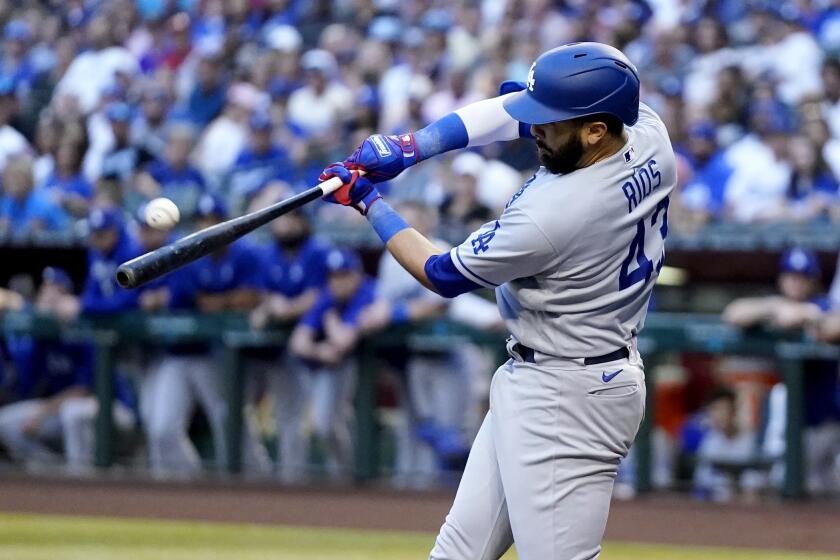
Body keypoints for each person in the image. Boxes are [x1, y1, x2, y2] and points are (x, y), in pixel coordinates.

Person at [319, 42, 676, 559]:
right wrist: (412, 146)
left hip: (569, 392)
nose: (535, 131)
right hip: (550, 372)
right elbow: (511, 113)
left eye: (549, 123)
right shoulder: (646, 133)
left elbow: (440, 273)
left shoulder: (554, 214)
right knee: (457, 554)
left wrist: (369, 202)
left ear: (596, 130)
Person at [725, 247, 840, 494]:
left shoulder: (823, 305)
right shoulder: (773, 306)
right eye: (791, 276)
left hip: (821, 422)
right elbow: (733, 314)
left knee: (817, 492)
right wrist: (774, 307)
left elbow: (833, 326)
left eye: (802, 277)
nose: (796, 283)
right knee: (778, 488)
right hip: (784, 423)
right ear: (781, 278)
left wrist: (809, 314)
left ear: (813, 280)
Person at [249, 209, 332, 481]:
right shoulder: (269, 252)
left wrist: (288, 307)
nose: (285, 225)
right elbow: (264, 293)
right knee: (287, 415)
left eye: (292, 219)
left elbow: (323, 293)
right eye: (283, 219)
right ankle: (284, 478)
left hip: (320, 349)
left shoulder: (318, 251)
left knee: (323, 422)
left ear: (304, 222)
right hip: (278, 349)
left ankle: (316, 480)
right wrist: (268, 306)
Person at [288, 248, 376, 479]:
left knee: (325, 423)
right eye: (334, 276)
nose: (339, 282)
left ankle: (351, 473)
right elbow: (297, 342)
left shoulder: (366, 292)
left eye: (344, 275)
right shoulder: (328, 295)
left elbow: (342, 341)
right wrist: (319, 351)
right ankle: (344, 474)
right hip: (325, 366)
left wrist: (330, 321)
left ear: (356, 274)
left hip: (368, 368)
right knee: (326, 424)